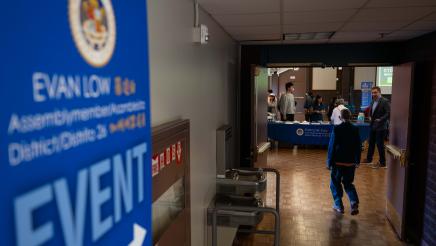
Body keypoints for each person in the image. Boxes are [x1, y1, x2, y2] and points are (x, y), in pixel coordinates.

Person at [327, 108, 361, 215]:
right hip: (350, 162)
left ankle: (339, 205)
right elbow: (358, 146)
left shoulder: (337, 129)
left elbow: (332, 146)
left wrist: (329, 162)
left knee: (335, 183)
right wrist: (357, 161)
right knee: (348, 183)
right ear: (350, 117)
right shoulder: (355, 129)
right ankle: (354, 202)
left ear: (340, 118)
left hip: (338, 162)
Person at [362, 86, 390, 169]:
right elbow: (371, 112)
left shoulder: (385, 101)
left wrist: (380, 119)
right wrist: (370, 116)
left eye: (375, 92)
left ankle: (382, 162)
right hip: (373, 126)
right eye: (372, 93)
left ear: (379, 92)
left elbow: (388, 113)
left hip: (381, 127)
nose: (373, 94)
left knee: (380, 145)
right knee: (371, 143)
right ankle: (369, 159)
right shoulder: (372, 101)